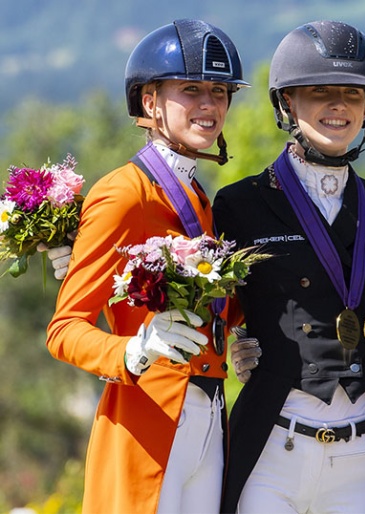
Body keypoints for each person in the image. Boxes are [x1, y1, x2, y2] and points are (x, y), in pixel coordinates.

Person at [45, 19, 258, 513]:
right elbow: (64, 329)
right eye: (191, 90)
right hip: (146, 422)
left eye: (220, 92)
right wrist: (133, 348)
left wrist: (244, 329)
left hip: (209, 414)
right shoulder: (124, 193)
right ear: (149, 102)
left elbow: (210, 311)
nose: (210, 105)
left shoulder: (200, 199)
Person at [212, 20, 365, 514]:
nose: (339, 106)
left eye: (353, 95)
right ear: (287, 103)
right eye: (320, 92)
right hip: (276, 443)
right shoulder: (239, 204)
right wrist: (234, 342)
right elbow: (212, 302)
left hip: (362, 447)